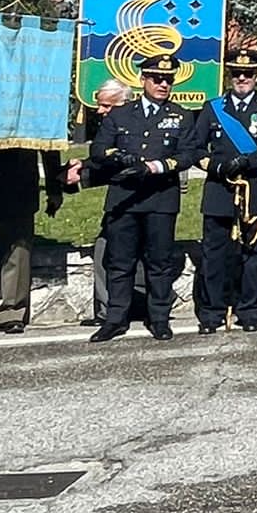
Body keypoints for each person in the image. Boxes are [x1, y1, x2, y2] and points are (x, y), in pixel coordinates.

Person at [182, 48, 257, 333]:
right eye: (236, 73)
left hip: (255, 188)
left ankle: (250, 311)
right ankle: (211, 313)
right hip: (220, 189)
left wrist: (250, 160)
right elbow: (194, 148)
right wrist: (218, 166)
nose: (242, 78)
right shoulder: (213, 108)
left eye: (248, 74)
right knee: (214, 253)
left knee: (253, 253)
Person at [88, 53, 195, 342]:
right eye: (157, 79)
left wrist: (155, 166)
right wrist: (119, 157)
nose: (163, 84)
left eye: (168, 80)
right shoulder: (121, 114)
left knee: (159, 262)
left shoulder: (181, 116)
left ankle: (158, 317)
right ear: (143, 79)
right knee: (120, 262)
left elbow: (187, 154)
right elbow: (98, 150)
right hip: (125, 198)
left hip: (161, 198)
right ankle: (115, 319)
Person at [0, 147, 65, 334]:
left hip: (18, 181)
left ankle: (12, 312)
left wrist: (54, 188)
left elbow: (48, 142)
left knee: (18, 251)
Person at [70, 79, 129, 329]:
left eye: (106, 106)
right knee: (103, 251)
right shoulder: (111, 126)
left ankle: (121, 309)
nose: (100, 111)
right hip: (117, 204)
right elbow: (103, 158)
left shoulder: (132, 126)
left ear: (122, 103)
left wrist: (82, 174)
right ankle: (106, 311)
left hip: (137, 203)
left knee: (118, 256)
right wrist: (82, 165)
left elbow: (117, 166)